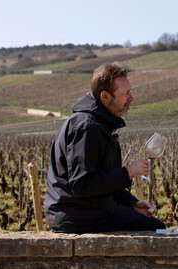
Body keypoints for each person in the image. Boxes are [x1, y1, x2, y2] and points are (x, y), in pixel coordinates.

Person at [45, 63, 166, 233]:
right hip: (77, 215)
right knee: (156, 229)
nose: (131, 98)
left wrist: (132, 204)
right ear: (105, 97)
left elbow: (102, 179)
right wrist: (128, 172)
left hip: (86, 210)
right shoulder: (86, 128)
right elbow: (82, 185)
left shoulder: (98, 125)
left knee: (152, 224)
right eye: (125, 94)